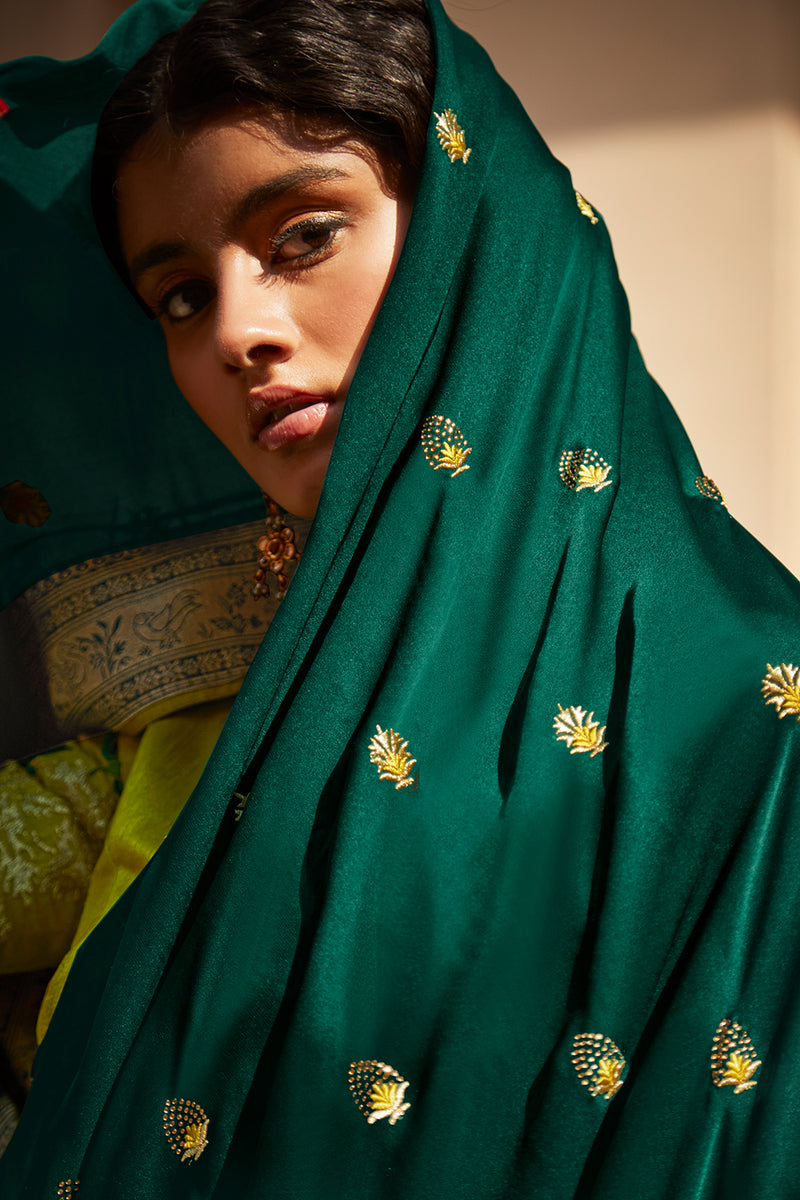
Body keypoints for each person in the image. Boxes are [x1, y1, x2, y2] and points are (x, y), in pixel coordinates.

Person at [1, 0, 799, 1195]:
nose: (237, 331)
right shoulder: (197, 732)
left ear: (473, 227)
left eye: (301, 235)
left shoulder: (751, 710)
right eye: (178, 296)